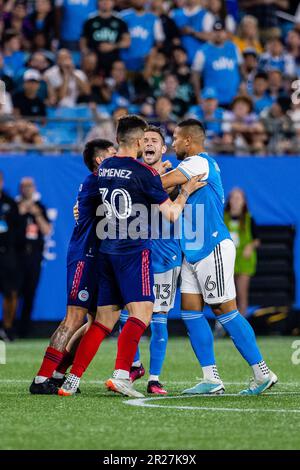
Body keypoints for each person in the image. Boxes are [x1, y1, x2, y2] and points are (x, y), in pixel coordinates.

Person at [58, 114, 205, 397]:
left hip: (106, 250)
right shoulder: (144, 174)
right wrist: (185, 191)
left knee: (103, 321)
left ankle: (71, 380)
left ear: (118, 139)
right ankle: (121, 374)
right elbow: (172, 214)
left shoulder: (105, 167)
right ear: (138, 141)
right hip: (134, 251)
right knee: (143, 312)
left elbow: (87, 206)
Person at [161, 118, 277, 395]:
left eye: (175, 138)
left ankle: (262, 373)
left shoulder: (198, 163)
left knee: (225, 309)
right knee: (189, 311)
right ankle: (211, 378)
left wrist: (152, 174)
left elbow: (160, 184)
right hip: (191, 248)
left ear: (188, 141)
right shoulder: (191, 167)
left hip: (211, 246)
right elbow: (164, 190)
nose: (172, 144)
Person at [30, 139, 116, 394]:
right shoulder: (96, 181)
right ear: (101, 160)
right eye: (113, 154)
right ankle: (41, 378)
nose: (119, 156)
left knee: (94, 322)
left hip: (98, 257)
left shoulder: (103, 183)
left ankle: (58, 372)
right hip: (85, 256)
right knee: (74, 317)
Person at [120, 126, 182, 395]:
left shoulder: (172, 178)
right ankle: (135, 365)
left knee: (159, 320)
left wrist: (161, 176)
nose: (148, 144)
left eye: (154, 140)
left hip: (164, 255)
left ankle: (154, 378)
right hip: (134, 252)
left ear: (162, 148)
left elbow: (170, 207)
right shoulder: (132, 173)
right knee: (126, 317)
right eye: (144, 140)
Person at [17, 177, 52, 338]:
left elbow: (47, 230)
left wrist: (36, 214)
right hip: (17, 256)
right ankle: (10, 327)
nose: (27, 189)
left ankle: (25, 329)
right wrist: (20, 212)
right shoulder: (14, 206)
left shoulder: (40, 207)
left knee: (30, 292)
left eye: (30, 186)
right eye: (24, 186)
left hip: (34, 256)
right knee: (14, 292)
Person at [224, 188, 260, 316]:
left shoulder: (249, 219)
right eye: (233, 198)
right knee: (225, 294)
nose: (235, 201)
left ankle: (242, 323)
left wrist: (250, 246)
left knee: (241, 293)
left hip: (243, 260)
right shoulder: (223, 218)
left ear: (244, 201)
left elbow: (257, 240)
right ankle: (224, 323)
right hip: (226, 260)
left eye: (238, 198)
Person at [192, 20, 242, 108]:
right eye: (216, 31)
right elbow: (195, 76)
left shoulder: (233, 47)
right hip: (212, 99)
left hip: (233, 98)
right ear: (211, 33)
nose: (218, 34)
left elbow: (241, 69)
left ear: (226, 33)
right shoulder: (203, 51)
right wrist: (198, 96)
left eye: (221, 31)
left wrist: (241, 90)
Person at [80, 0, 130, 75]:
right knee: (89, 60)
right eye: (102, 0)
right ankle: (89, 83)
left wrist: (112, 46)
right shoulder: (89, 20)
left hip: (113, 57)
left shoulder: (120, 20)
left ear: (113, 3)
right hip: (95, 57)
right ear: (98, 2)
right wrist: (88, 53)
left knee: (119, 66)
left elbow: (127, 42)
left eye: (108, 0)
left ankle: (117, 86)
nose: (105, 2)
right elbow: (82, 43)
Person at [0, 171, 20, 342]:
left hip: (7, 255)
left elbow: (18, 230)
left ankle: (7, 328)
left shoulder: (9, 203)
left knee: (11, 293)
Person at [120, 0, 165, 72]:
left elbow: (159, 41)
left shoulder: (154, 18)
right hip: (125, 59)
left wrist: (153, 52)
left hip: (145, 61)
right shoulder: (122, 16)